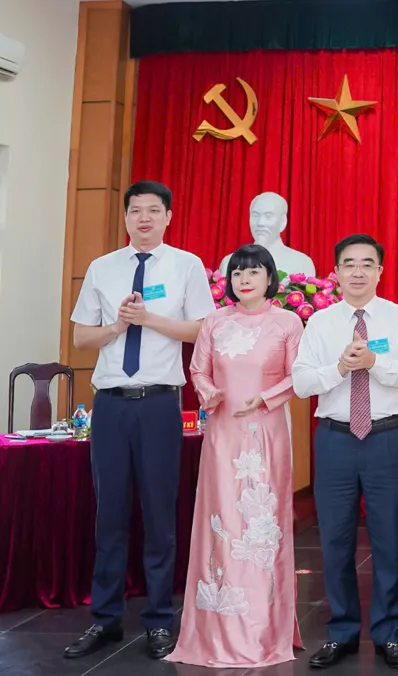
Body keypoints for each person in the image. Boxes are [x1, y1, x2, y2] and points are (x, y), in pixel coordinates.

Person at [65, 180, 215, 659]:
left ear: (168, 216)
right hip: (111, 403)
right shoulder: (102, 267)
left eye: (153, 210)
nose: (144, 218)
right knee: (109, 513)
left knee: (158, 513)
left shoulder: (186, 265)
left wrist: (149, 319)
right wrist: (117, 326)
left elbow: (203, 330)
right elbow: (81, 338)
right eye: (135, 211)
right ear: (126, 217)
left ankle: (158, 620)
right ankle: (105, 619)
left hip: (158, 404)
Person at [292, 234, 398, 670]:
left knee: (388, 539)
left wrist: (373, 363)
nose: (357, 271)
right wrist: (339, 368)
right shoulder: (320, 323)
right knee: (335, 541)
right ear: (336, 272)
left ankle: (389, 634)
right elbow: (302, 383)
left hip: (387, 438)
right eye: (349, 263)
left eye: (367, 264)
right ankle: (342, 633)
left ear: (380, 271)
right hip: (335, 440)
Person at [165, 244, 305, 668]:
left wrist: (265, 398)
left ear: (270, 278)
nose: (245, 279)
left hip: (266, 432)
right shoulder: (215, 321)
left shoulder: (287, 321)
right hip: (222, 433)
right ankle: (216, 627)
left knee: (261, 524)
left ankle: (264, 629)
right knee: (221, 519)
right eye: (238, 273)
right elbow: (198, 370)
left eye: (254, 272)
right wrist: (210, 395)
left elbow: (297, 375)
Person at [220, 192, 317, 277]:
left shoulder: (301, 263)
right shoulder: (229, 262)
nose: (260, 223)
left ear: (283, 222)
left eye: (268, 216)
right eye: (255, 215)